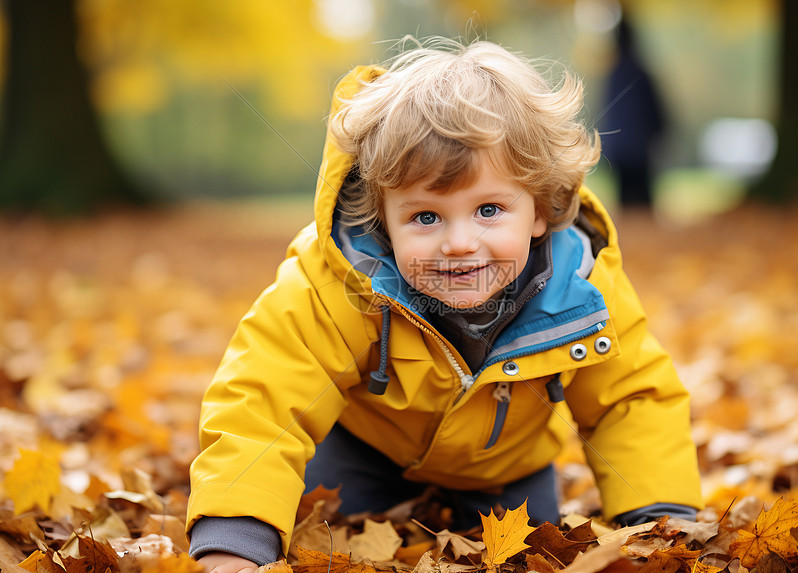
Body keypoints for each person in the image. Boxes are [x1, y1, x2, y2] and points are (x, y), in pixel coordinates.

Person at [186, 37, 702, 573]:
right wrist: (235, 538)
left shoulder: (583, 288)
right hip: (366, 454)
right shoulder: (336, 284)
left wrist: (660, 521)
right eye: (426, 217)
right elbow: (262, 399)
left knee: (529, 557)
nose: (459, 243)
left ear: (541, 209)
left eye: (489, 209)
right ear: (382, 220)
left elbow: (632, 400)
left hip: (507, 469)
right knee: (328, 539)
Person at [600, 18, 666, 208]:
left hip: (620, 147)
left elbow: (608, 112)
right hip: (640, 148)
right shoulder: (641, 72)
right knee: (642, 199)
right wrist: (660, 131)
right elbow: (655, 108)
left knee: (627, 200)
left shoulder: (613, 74)